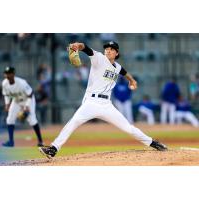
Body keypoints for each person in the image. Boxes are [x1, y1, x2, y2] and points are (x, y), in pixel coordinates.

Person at [39, 41, 167, 159]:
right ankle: (53, 149)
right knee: (74, 122)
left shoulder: (117, 67)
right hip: (91, 102)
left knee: (128, 128)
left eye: (111, 49)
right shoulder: (99, 58)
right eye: (106, 48)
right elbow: (86, 48)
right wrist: (78, 46)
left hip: (107, 105)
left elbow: (124, 72)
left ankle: (152, 143)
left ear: (117, 53)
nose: (108, 50)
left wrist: (132, 80)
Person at [2, 67, 44, 147]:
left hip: (28, 100)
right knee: (10, 119)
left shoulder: (21, 83)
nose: (7, 75)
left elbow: (30, 94)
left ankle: (40, 141)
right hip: (16, 101)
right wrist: (7, 104)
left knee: (32, 120)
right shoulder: (4, 83)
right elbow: (6, 95)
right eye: (6, 73)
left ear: (13, 74)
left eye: (9, 73)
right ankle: (11, 142)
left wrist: (27, 106)